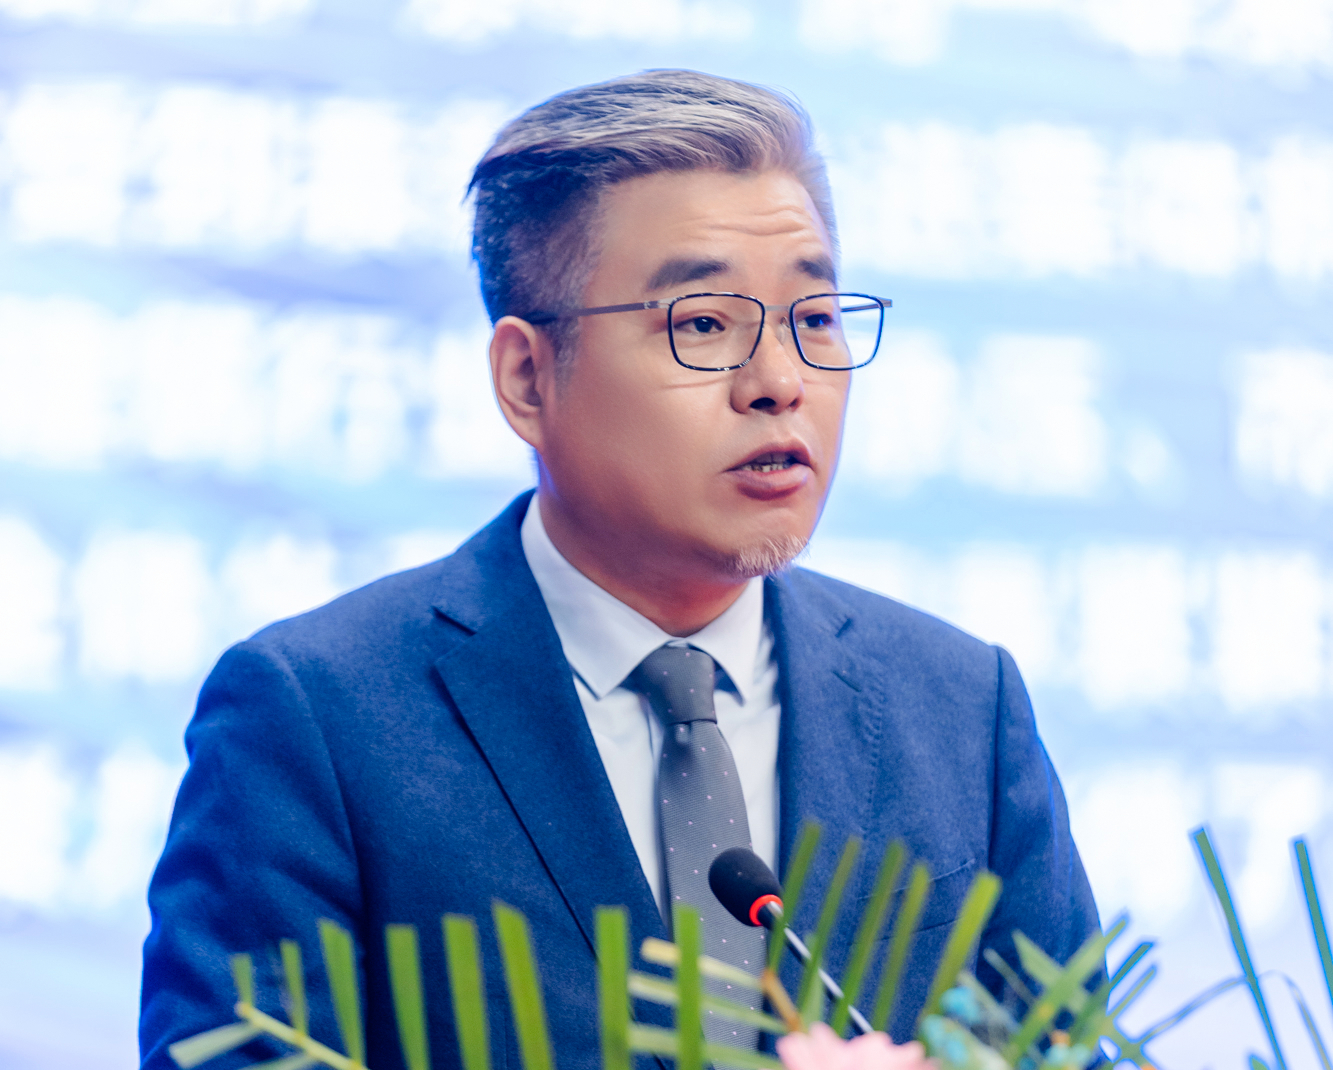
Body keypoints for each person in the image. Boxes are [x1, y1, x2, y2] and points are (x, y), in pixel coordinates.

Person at [139, 70, 1099, 1070]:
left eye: (814, 318)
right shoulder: (316, 716)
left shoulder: (959, 707)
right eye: (703, 323)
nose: (780, 382)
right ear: (526, 377)